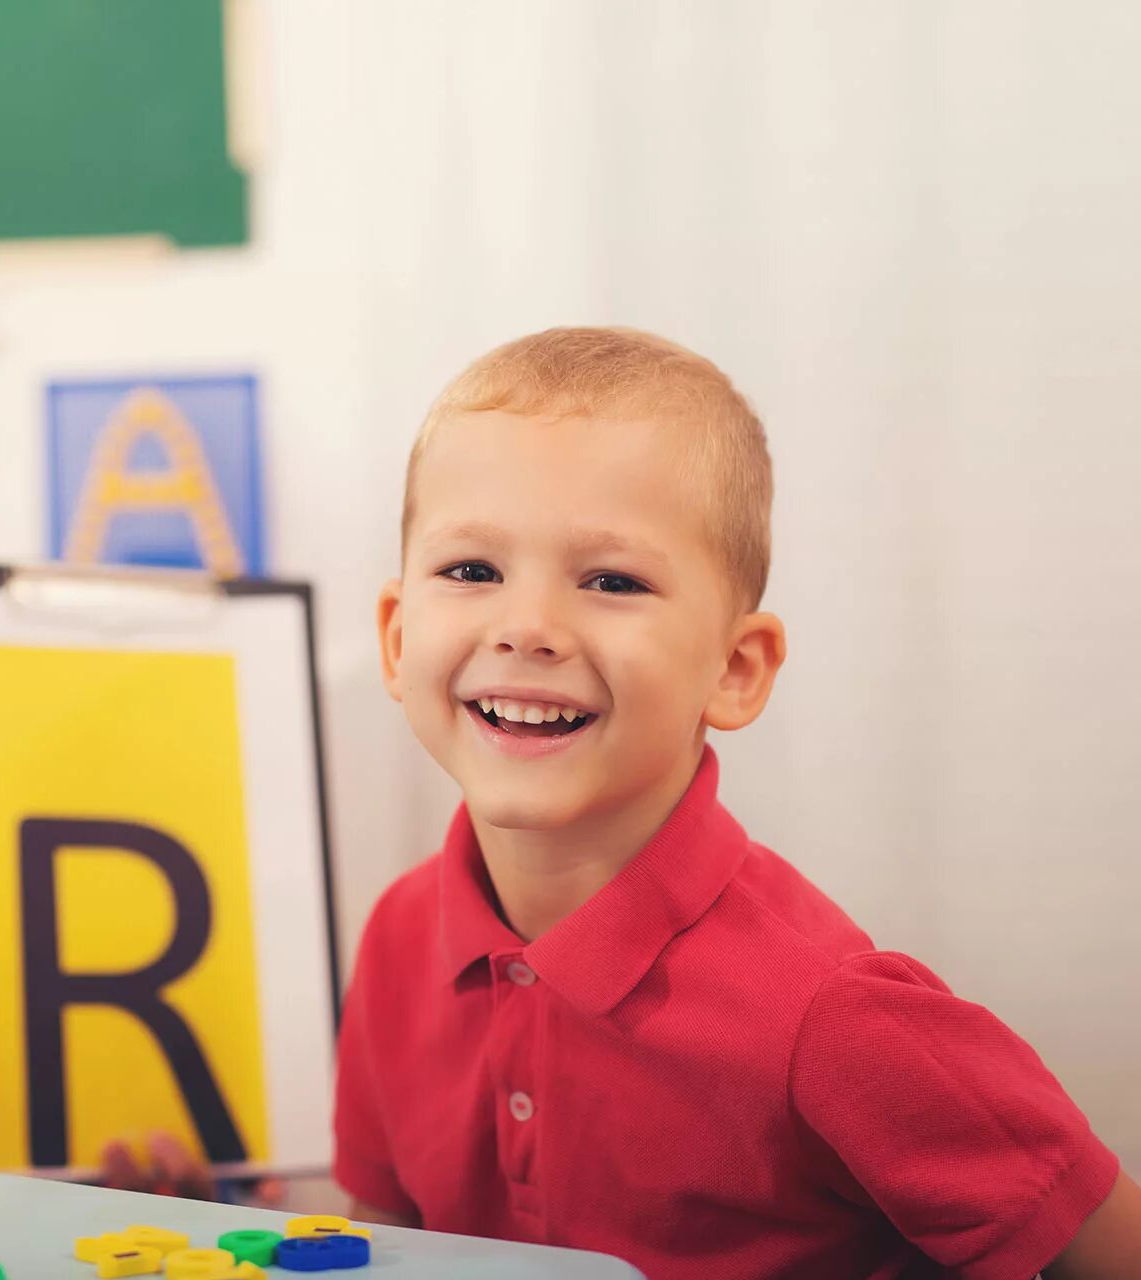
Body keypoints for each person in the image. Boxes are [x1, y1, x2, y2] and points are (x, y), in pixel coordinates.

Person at [337, 328, 1141, 1276]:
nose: (527, 628)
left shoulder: (835, 1018)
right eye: (472, 570)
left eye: (611, 580)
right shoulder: (396, 936)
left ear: (735, 668)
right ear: (396, 639)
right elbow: (379, 1241)